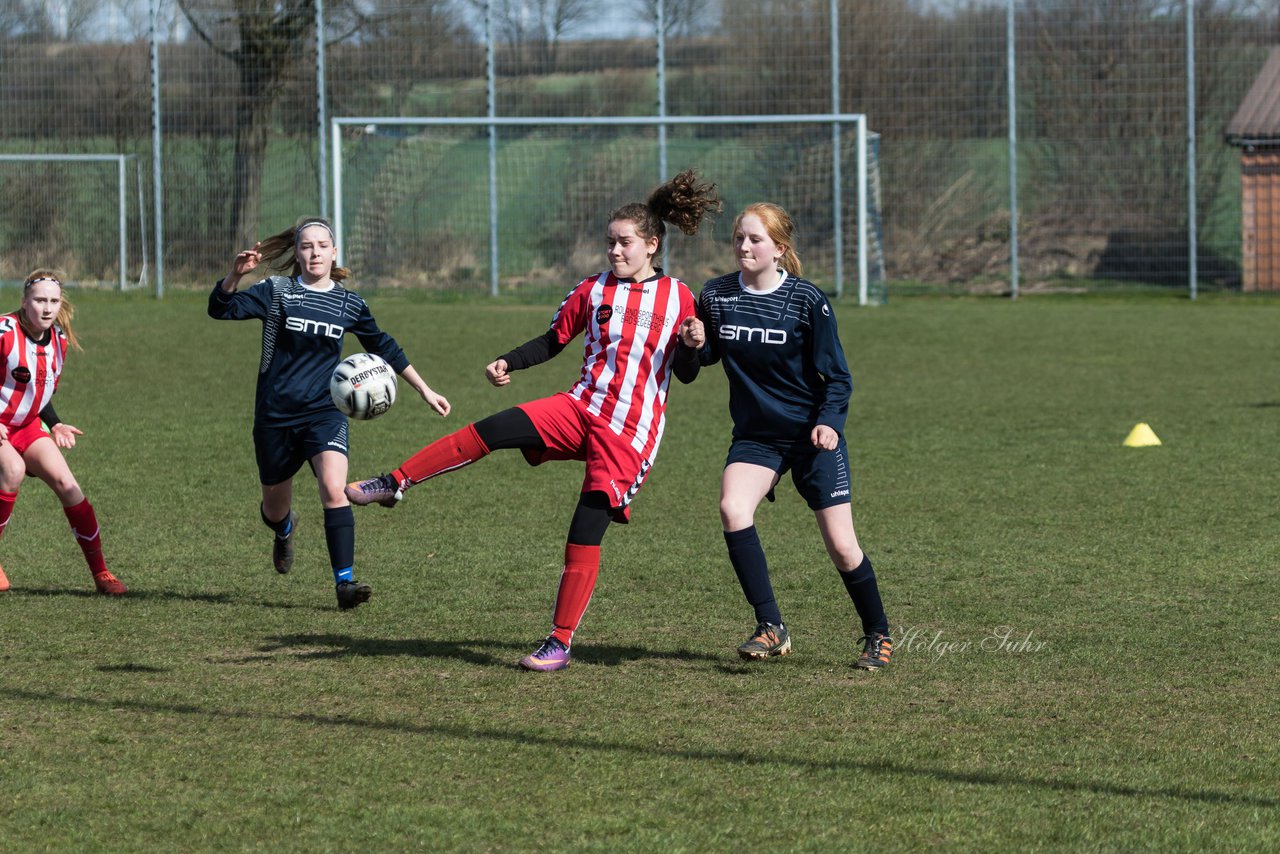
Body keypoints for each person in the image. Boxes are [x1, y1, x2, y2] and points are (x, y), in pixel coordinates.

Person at [346, 170, 721, 671]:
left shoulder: (679, 298)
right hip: (579, 407)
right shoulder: (592, 291)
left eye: (624, 243)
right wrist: (509, 361)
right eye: (609, 242)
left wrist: (694, 345)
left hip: (629, 434)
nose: (614, 251)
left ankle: (560, 642)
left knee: (583, 533)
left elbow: (688, 373)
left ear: (652, 245)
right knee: (493, 429)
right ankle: (395, 482)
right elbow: (552, 341)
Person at [209, 215, 451, 609]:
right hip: (274, 415)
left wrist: (425, 390)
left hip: (325, 412)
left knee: (333, 490)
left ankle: (345, 584)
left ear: (334, 252)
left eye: (322, 246)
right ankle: (285, 529)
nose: (315, 252)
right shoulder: (277, 292)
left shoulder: (348, 302)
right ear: (298, 253)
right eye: (307, 246)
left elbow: (385, 346)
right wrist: (234, 277)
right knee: (274, 508)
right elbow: (220, 309)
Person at [689, 203, 892, 670]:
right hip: (757, 437)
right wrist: (695, 342)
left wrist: (829, 423)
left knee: (843, 547)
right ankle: (770, 626)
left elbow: (838, 377)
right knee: (732, 508)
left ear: (779, 249)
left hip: (811, 436)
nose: (743, 246)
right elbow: (702, 362)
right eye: (739, 237)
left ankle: (878, 633)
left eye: (755, 239)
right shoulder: (716, 295)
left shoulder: (806, 300)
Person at [0, 270, 126, 596]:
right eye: (40, 300)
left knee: (69, 487)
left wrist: (54, 422)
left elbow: (38, 393)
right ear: (24, 301)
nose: (46, 308)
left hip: (26, 426)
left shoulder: (59, 340)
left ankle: (101, 573)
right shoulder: (3, 331)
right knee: (11, 471)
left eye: (53, 301)